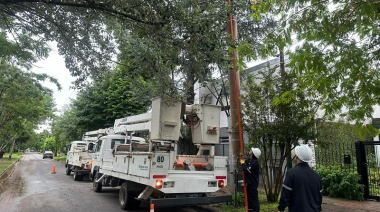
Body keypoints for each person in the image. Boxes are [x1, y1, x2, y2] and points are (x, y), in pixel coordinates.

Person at [277, 144, 323, 212]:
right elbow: (319, 197)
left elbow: (286, 194)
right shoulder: (316, 175)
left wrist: (281, 208)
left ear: (297, 157)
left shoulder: (292, 173)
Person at [241, 147, 261, 212]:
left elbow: (247, 170)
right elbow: (246, 163)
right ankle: (250, 210)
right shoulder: (250, 161)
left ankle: (255, 210)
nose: (250, 151)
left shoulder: (255, 163)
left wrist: (243, 164)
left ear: (253, 153)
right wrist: (242, 160)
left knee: (254, 199)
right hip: (249, 184)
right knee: (249, 199)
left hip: (252, 184)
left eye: (251, 150)